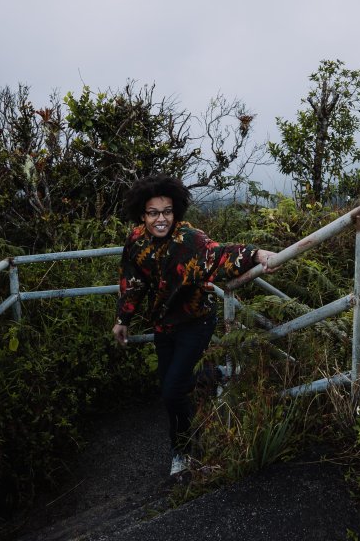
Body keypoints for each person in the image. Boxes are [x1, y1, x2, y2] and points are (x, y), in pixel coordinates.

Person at [113, 175, 279, 477]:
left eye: (167, 211)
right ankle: (217, 375)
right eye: (153, 212)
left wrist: (256, 254)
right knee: (171, 387)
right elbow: (132, 281)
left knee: (172, 392)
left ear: (175, 212)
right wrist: (123, 319)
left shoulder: (189, 239)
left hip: (196, 321)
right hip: (164, 325)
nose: (161, 219)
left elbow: (220, 254)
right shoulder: (136, 241)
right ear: (142, 215)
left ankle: (184, 451)